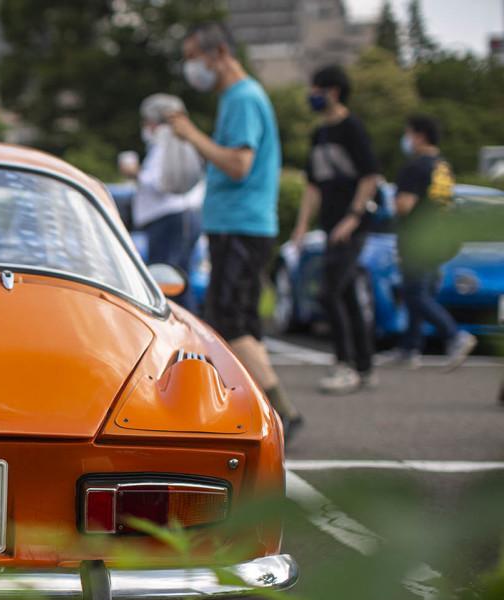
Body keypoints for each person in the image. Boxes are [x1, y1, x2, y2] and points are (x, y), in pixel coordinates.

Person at [165, 21, 303, 442]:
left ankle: (282, 414)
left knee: (231, 322)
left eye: (193, 57)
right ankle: (267, 411)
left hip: (242, 225)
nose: (191, 67)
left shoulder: (243, 97)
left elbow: (239, 164)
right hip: (236, 225)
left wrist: (190, 134)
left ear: (218, 52)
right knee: (240, 321)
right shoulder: (234, 97)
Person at [290, 65, 382, 394]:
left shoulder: (352, 128)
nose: (311, 95)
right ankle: (365, 366)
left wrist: (353, 216)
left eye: (316, 88)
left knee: (329, 291)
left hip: (352, 225)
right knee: (344, 293)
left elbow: (370, 175)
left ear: (333, 91)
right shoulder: (320, 134)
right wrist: (301, 227)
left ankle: (344, 365)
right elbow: (313, 185)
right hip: (331, 225)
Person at [382, 114, 478, 370]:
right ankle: (410, 347)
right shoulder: (443, 166)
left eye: (409, 134)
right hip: (439, 238)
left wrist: (391, 206)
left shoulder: (415, 167)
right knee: (421, 290)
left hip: (417, 239)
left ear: (420, 135)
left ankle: (455, 335)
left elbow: (404, 204)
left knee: (414, 294)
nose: (407, 140)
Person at [122, 93, 204, 313]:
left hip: (169, 220)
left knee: (168, 283)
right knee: (179, 279)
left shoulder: (167, 141)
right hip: (182, 218)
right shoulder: (178, 141)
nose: (144, 126)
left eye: (147, 120)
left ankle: (177, 335)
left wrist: (135, 172)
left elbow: (161, 182)